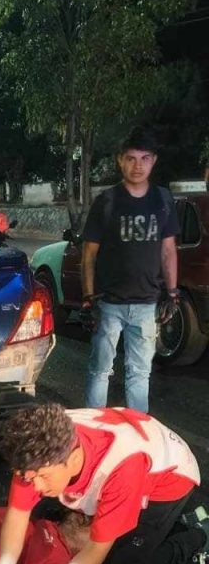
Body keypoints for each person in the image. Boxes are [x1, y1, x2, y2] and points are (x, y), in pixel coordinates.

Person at [0, 403, 205, 564]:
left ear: (73, 460)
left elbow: (95, 550)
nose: (36, 486)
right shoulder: (36, 448)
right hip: (132, 447)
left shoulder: (122, 470)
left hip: (170, 480)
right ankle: (152, 527)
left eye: (43, 477)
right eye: (29, 478)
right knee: (52, 511)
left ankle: (192, 537)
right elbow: (17, 516)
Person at [82, 128, 180, 412]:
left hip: (147, 305)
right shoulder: (107, 201)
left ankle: (137, 429)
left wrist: (172, 293)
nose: (138, 166)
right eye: (131, 158)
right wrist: (88, 298)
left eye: (144, 158)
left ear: (154, 161)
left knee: (139, 373)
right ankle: (95, 426)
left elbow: (168, 250)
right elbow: (89, 254)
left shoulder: (162, 200)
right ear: (120, 161)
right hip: (109, 304)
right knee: (100, 370)